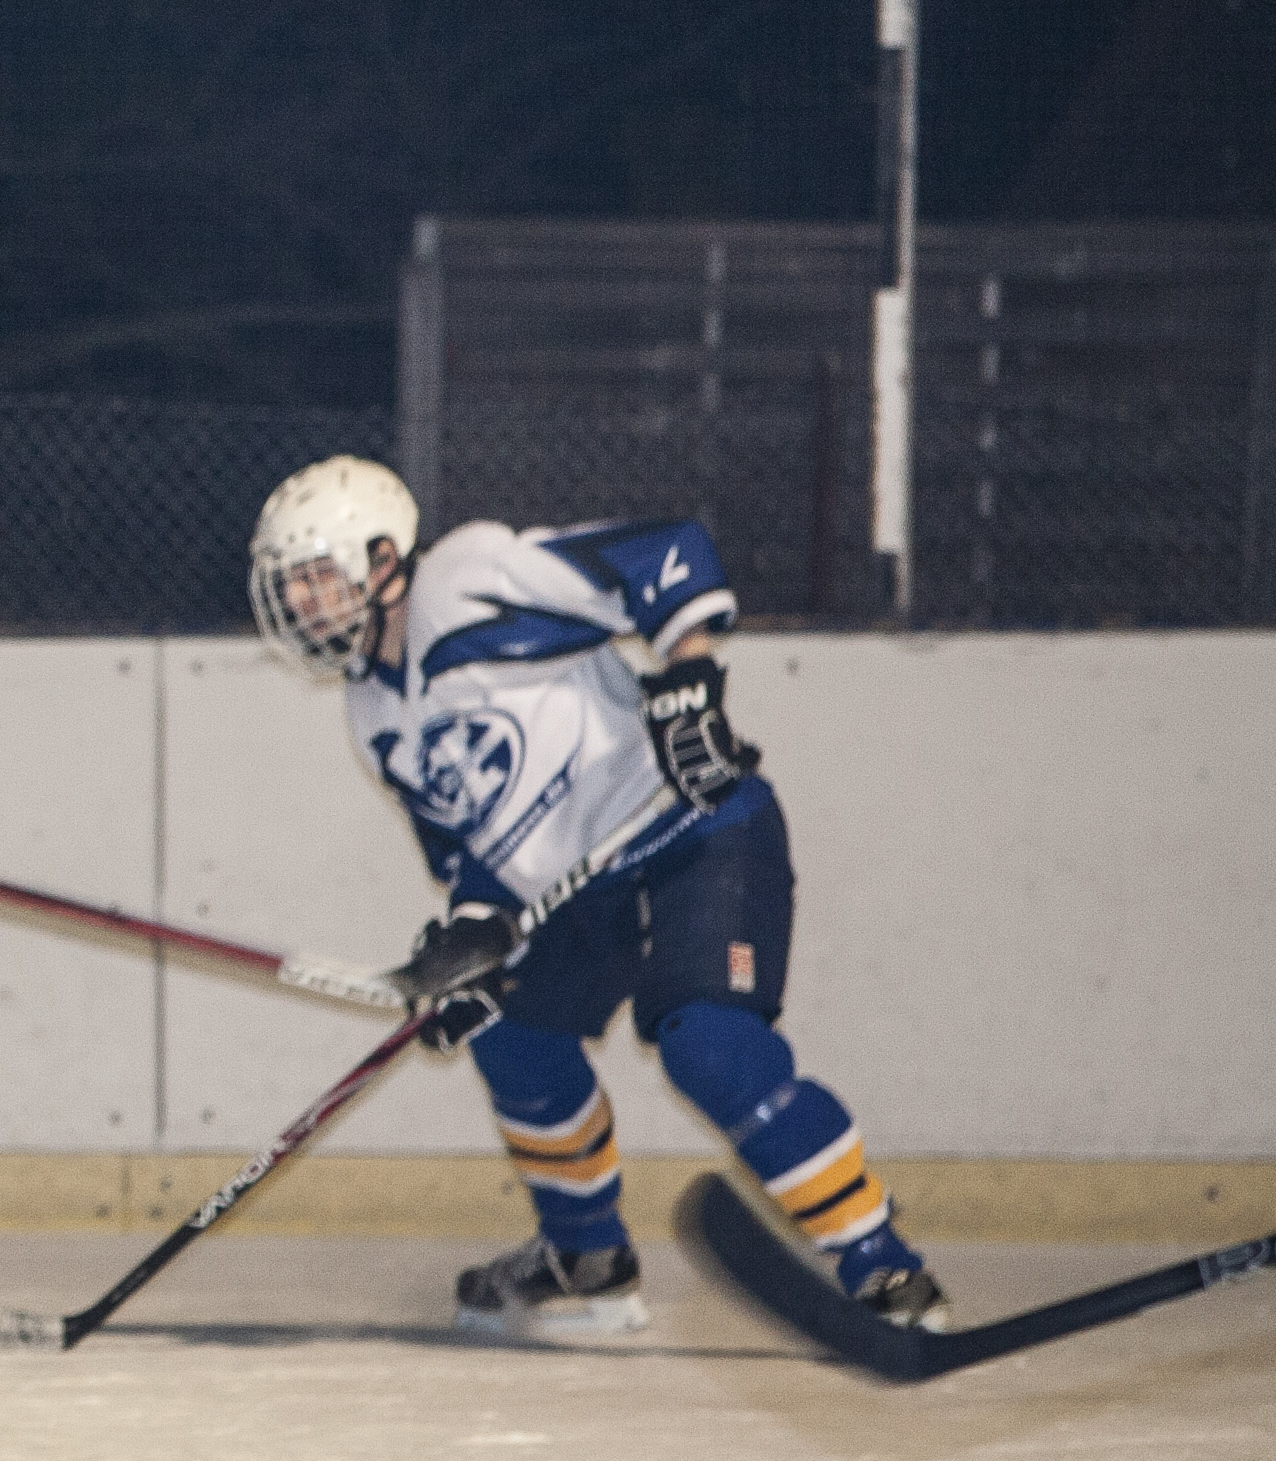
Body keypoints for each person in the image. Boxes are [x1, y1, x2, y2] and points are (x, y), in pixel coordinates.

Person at [246, 456, 948, 1339]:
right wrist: (468, 944)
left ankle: (883, 1264)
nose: (302, 602)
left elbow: (669, 553)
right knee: (511, 1035)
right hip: (577, 890)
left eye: (318, 575)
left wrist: (689, 676)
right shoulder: (373, 716)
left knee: (710, 1045)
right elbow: (475, 854)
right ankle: (586, 1257)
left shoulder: (468, 581)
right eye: (291, 585)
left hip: (691, 828)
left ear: (384, 560)